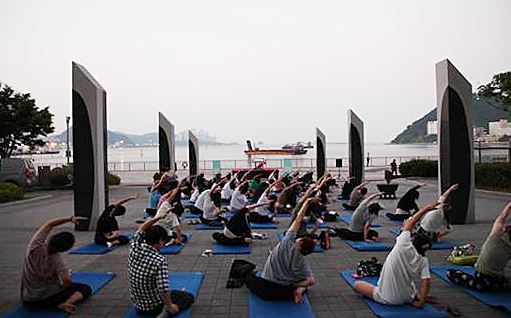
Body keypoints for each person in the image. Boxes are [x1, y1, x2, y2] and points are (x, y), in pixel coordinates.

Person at [352, 202, 438, 307]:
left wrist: (426, 208)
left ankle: (417, 295)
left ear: (413, 240)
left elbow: (411, 222)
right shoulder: (423, 260)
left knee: (357, 285)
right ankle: (418, 296)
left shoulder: (403, 244)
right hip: (408, 297)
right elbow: (426, 282)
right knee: (408, 282)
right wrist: (420, 303)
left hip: (387, 298)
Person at [245, 198, 317, 304]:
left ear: (300, 243)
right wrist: (295, 285)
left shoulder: (287, 242)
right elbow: (311, 281)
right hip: (285, 290)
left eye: (299, 238)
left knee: (248, 278)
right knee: (304, 283)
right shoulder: (302, 262)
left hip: (267, 289)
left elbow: (298, 218)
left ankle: (297, 289)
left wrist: (306, 202)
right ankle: (299, 289)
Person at [129, 207, 194, 316]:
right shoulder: (158, 260)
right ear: (159, 241)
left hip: (138, 305)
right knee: (187, 297)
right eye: (164, 241)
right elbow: (163, 289)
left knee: (172, 293)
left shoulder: (135, 246)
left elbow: (142, 228)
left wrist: (159, 217)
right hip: (154, 307)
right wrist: (170, 305)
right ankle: (165, 312)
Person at [21, 216, 92, 315]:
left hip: (28, 300)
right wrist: (61, 284)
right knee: (85, 288)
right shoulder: (56, 260)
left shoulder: (34, 245)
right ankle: (66, 303)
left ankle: (59, 303)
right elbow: (66, 280)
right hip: (49, 299)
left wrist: (69, 219)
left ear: (53, 238)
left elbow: (49, 224)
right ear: (64, 249)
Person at [447, 202, 511, 292]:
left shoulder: (495, 234)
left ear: (505, 230)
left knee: (450, 273)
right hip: (497, 279)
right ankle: (500, 285)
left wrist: (509, 205)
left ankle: (485, 284)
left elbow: (502, 217)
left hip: (482, 276)